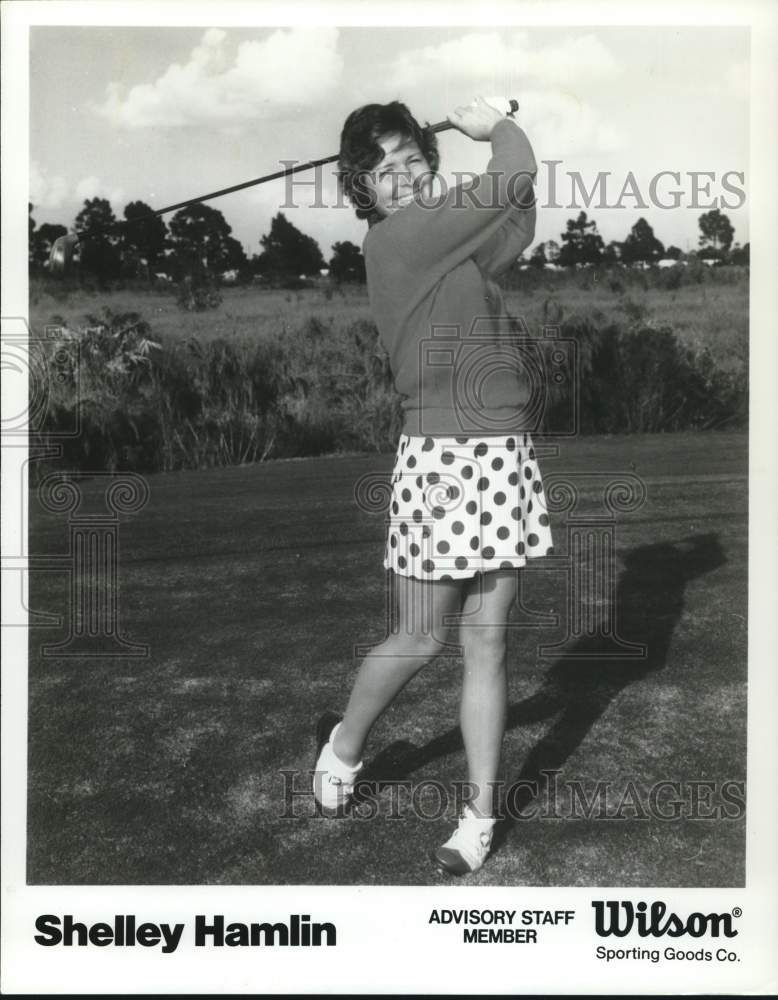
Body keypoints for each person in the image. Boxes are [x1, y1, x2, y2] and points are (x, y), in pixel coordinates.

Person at [313, 97, 554, 875]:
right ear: (364, 192)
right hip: (442, 464)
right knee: (421, 638)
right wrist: (494, 128)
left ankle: (478, 818)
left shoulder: (448, 243)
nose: (406, 178)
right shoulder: (399, 244)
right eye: (385, 171)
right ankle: (345, 746)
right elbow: (512, 172)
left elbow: (515, 218)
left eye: (415, 159)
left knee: (489, 642)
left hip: (503, 450)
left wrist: (511, 173)